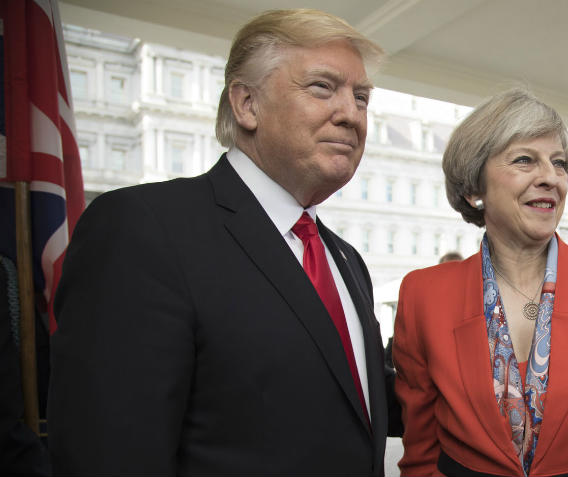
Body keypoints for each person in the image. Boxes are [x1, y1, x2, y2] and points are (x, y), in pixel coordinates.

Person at [49, 9, 399, 475]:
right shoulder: (143, 228)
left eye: (361, 97)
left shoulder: (347, 261)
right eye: (322, 87)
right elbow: (109, 454)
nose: (351, 115)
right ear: (247, 104)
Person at [392, 88, 568, 476]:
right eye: (525, 160)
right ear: (474, 189)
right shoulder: (423, 294)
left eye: (559, 163)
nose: (551, 178)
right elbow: (420, 453)